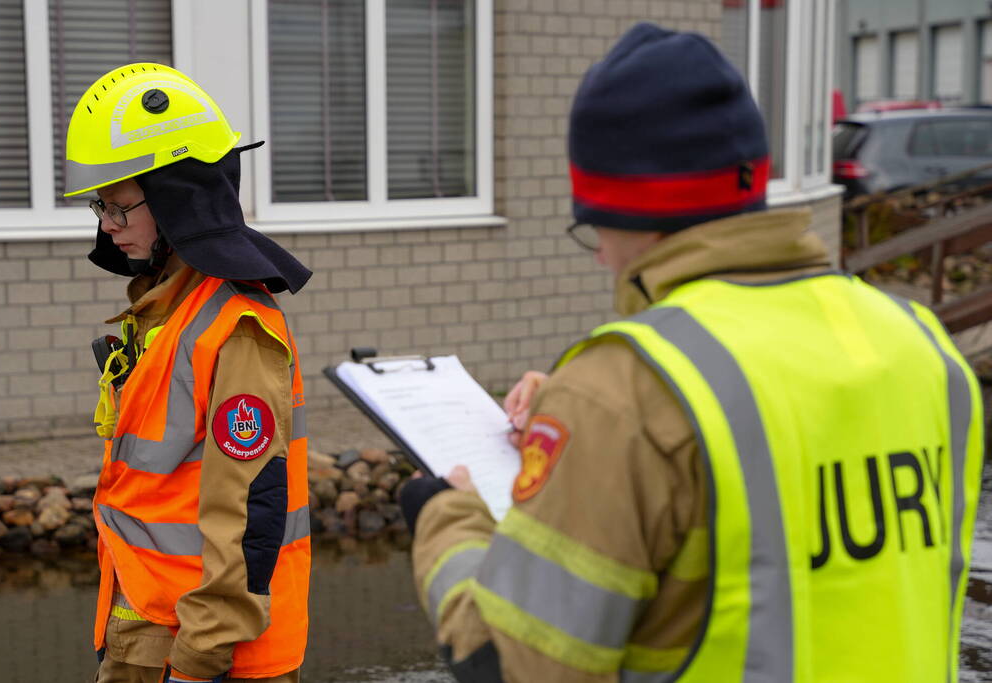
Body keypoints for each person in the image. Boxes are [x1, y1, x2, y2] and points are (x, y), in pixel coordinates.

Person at [398, 23, 985, 683]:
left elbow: (508, 665)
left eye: (595, 224)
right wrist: (587, 411)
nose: (598, 254)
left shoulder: (623, 393)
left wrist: (446, 516)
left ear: (633, 210)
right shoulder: (922, 347)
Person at [64, 63, 312, 683]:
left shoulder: (236, 325)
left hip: (199, 649)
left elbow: (253, 506)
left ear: (179, 198)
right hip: (146, 624)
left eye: (120, 208)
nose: (107, 227)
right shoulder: (162, 312)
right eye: (101, 208)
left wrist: (198, 664)